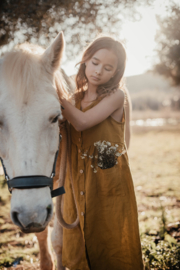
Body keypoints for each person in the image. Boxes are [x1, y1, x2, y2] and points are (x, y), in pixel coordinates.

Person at [60, 35, 144, 270]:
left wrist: (55, 93)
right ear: (85, 59)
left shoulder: (116, 96)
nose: (98, 71)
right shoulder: (73, 99)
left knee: (111, 238)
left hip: (107, 181)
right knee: (79, 242)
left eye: (108, 68)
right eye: (95, 62)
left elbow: (83, 123)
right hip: (77, 182)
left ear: (116, 73)